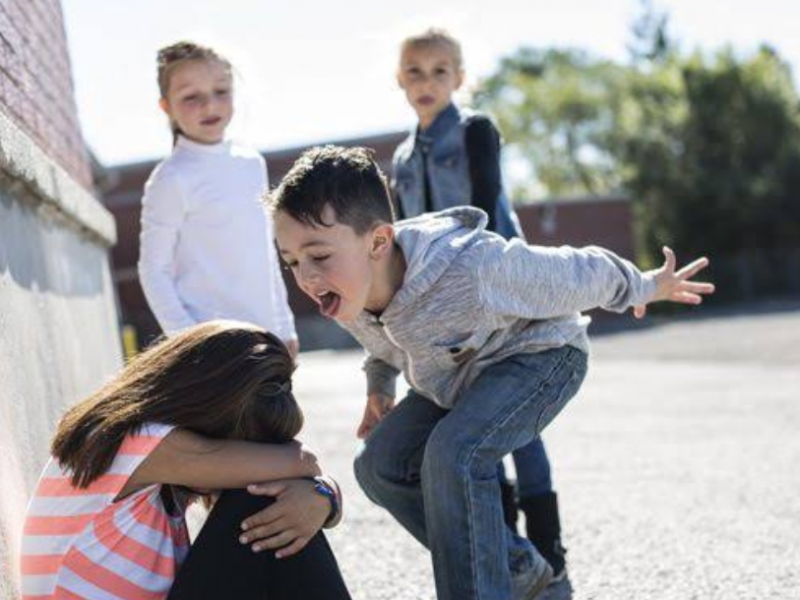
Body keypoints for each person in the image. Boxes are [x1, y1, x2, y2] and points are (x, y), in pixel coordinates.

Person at [267, 146, 714, 600]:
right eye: (292, 261)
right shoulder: (349, 289)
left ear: (378, 242)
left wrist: (644, 285)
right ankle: (514, 566)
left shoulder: (472, 268)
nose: (305, 277)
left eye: (318, 256)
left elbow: (578, 271)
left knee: (453, 452)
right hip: (457, 378)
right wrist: (378, 388)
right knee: (378, 465)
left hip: (541, 357)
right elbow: (382, 345)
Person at [391, 27, 565, 577]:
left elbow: (487, 210)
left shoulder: (475, 132)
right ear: (400, 80)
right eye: (415, 71)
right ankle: (513, 555)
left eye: (440, 70)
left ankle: (549, 551)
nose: (427, 81)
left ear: (460, 78)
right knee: (474, 424)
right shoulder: (400, 157)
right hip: (441, 312)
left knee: (520, 426)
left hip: (499, 294)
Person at [20, 321, 351, 600]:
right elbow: (303, 461)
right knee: (257, 498)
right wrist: (322, 492)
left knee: (275, 502)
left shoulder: (151, 453)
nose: (247, 461)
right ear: (208, 412)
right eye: (243, 449)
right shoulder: (138, 440)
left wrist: (323, 497)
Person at [138, 41, 297, 356]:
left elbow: (265, 254)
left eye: (221, 91)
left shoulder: (252, 164)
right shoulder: (171, 179)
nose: (209, 105)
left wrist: (285, 326)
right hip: (212, 349)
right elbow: (153, 270)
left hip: (267, 339)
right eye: (191, 97)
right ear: (166, 107)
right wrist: (189, 341)